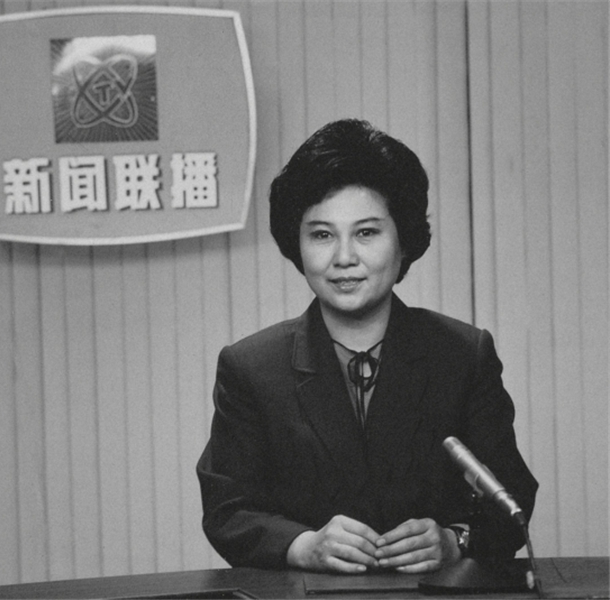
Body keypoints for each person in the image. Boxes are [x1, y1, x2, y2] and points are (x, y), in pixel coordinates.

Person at [196, 119, 538, 574]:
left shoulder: (462, 355)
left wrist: (456, 540)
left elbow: (512, 498)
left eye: (366, 233)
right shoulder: (250, 368)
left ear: (404, 240)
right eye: (322, 234)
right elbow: (227, 511)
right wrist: (302, 546)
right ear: (297, 244)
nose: (344, 258)